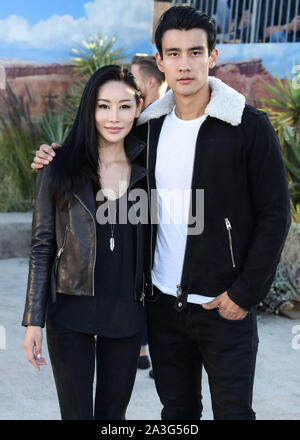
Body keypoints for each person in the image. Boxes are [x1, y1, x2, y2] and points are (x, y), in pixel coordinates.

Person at [31, 6, 291, 420]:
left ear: (213, 56)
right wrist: (56, 155)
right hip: (162, 304)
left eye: (194, 52)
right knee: (178, 412)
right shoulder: (147, 128)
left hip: (223, 305)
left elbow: (276, 215)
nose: (184, 64)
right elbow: (100, 137)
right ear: (160, 60)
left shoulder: (248, 127)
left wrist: (243, 294)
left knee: (234, 412)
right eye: (173, 53)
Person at [22, 65, 149, 420]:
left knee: (113, 418)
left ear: (138, 108)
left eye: (124, 106)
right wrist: (34, 319)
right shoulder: (58, 164)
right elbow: (42, 244)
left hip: (125, 312)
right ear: (89, 109)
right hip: (69, 310)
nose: (113, 117)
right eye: (103, 105)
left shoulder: (148, 167)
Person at [131, 54, 165, 373]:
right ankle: (143, 348)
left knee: (150, 280)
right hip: (140, 210)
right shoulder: (136, 119)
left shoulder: (162, 119)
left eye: (134, 78)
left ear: (150, 82)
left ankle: (149, 348)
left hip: (158, 214)